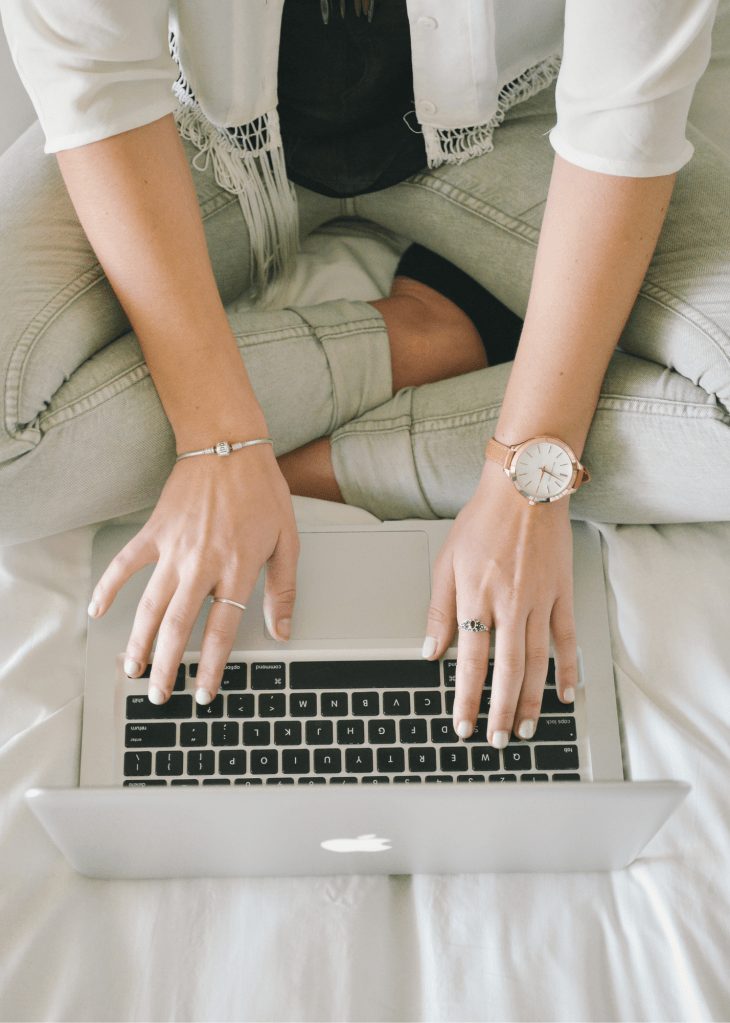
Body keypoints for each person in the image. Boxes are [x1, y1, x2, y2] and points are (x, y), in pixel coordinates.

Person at [0, 0, 727, 751]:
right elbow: (99, 75)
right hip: (196, 135)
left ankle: (318, 450)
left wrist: (525, 478)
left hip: (525, 124)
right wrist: (215, 438)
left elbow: (622, 115)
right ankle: (415, 342)